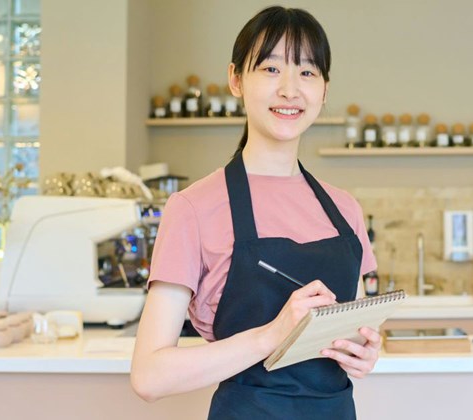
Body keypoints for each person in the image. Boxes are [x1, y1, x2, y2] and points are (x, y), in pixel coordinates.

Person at [130, 6, 379, 419]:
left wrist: (364, 353)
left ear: (324, 89)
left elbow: (352, 326)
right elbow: (149, 377)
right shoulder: (192, 209)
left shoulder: (345, 209)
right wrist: (271, 336)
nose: (289, 89)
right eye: (269, 69)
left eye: (307, 72)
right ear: (235, 80)